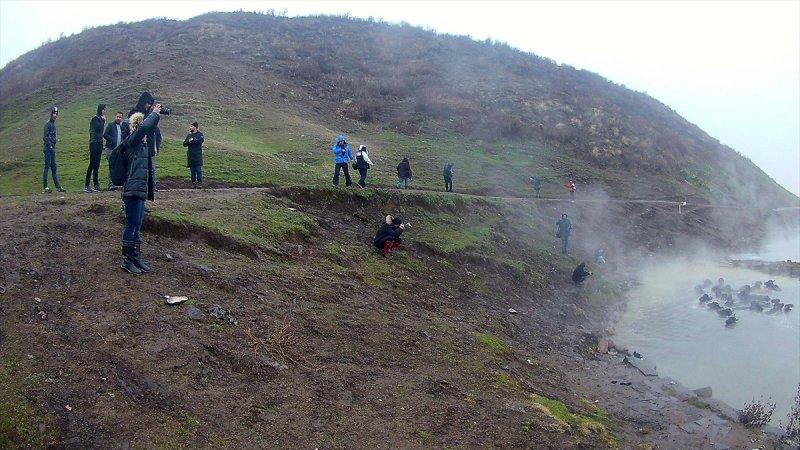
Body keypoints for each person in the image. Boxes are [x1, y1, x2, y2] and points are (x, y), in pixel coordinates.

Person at [119, 104, 162, 274]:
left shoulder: (143, 146)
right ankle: (127, 260)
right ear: (137, 126)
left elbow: (152, 140)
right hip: (132, 190)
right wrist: (154, 114)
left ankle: (136, 257)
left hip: (140, 190)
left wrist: (154, 123)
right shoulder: (132, 141)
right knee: (131, 226)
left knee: (137, 226)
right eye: (142, 125)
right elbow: (144, 128)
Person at [42, 106, 65, 193]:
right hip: (48, 148)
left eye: (56, 113)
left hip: (52, 149)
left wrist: (54, 144)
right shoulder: (48, 124)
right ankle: (45, 187)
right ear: (51, 114)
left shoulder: (53, 125)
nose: (55, 115)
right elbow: (45, 137)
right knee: (47, 167)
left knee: (54, 168)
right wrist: (50, 145)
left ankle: (58, 187)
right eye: (54, 113)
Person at [84, 104, 107, 192]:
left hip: (99, 143)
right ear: (100, 110)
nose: (104, 111)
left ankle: (96, 184)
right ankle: (87, 185)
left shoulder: (100, 119)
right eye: (103, 109)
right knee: (92, 163)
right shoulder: (95, 119)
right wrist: (102, 121)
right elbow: (97, 129)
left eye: (105, 110)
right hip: (94, 143)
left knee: (97, 164)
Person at [103, 111, 124, 191]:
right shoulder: (110, 125)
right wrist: (112, 140)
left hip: (118, 150)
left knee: (117, 167)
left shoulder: (121, 127)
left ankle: (116, 183)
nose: (118, 118)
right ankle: (111, 184)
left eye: (120, 117)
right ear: (115, 117)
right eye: (117, 117)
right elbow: (105, 135)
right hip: (110, 149)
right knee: (111, 166)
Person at [183, 121, 204, 188]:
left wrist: (192, 140)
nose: (190, 127)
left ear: (195, 127)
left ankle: (200, 183)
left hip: (197, 155)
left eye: (191, 126)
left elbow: (200, 141)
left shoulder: (200, 134)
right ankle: (193, 183)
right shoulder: (189, 135)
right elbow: (184, 144)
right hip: (190, 155)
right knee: (192, 170)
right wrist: (189, 141)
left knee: (198, 170)